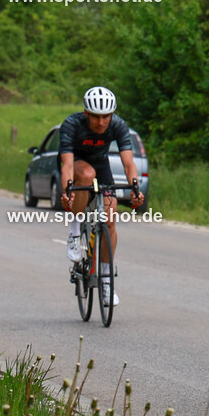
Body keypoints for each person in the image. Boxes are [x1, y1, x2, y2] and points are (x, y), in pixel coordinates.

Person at [59, 86, 145, 306]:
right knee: (87, 175)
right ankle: (75, 231)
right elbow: (67, 165)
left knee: (109, 219)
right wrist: (67, 191)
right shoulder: (71, 124)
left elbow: (128, 163)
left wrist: (135, 189)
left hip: (101, 164)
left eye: (105, 116)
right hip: (78, 164)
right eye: (95, 116)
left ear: (112, 114)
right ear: (86, 113)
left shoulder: (118, 125)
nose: (100, 122)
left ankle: (106, 282)